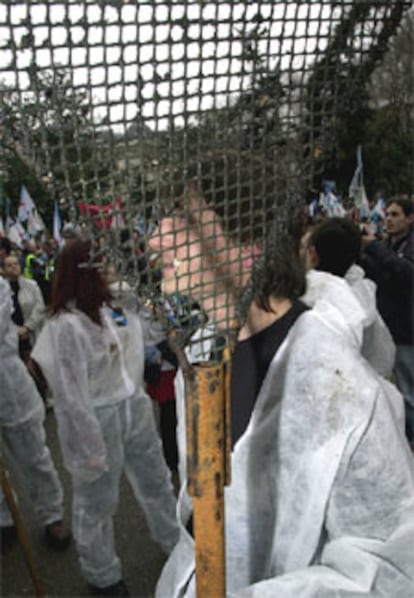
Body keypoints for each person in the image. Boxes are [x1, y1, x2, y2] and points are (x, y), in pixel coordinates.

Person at [147, 155, 414, 597]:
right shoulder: (201, 358)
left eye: (184, 217)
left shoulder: (344, 391)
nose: (157, 240)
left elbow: (390, 571)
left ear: (252, 240)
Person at [32, 238, 179, 597]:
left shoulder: (114, 305)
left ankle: (175, 543)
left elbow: (153, 330)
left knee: (156, 480)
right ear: (84, 271)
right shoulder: (67, 324)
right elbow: (70, 394)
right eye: (103, 264)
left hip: (134, 406)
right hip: (98, 416)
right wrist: (86, 445)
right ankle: (102, 574)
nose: (112, 270)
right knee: (97, 500)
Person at [0, 277, 71, 552]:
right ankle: (5, 519)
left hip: (8, 386)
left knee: (33, 455)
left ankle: (51, 515)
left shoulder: (1, 287)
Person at [300, 217, 396, 379]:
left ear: (313, 255)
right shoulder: (362, 295)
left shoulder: (306, 299)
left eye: (305, 248)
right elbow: (381, 357)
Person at [360, 196, 414, 443]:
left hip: (406, 333)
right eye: (387, 215)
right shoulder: (388, 245)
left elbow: (405, 275)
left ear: (409, 218)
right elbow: (380, 275)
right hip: (386, 329)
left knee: (408, 392)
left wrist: (374, 247)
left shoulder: (408, 246)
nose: (389, 220)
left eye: (395, 215)